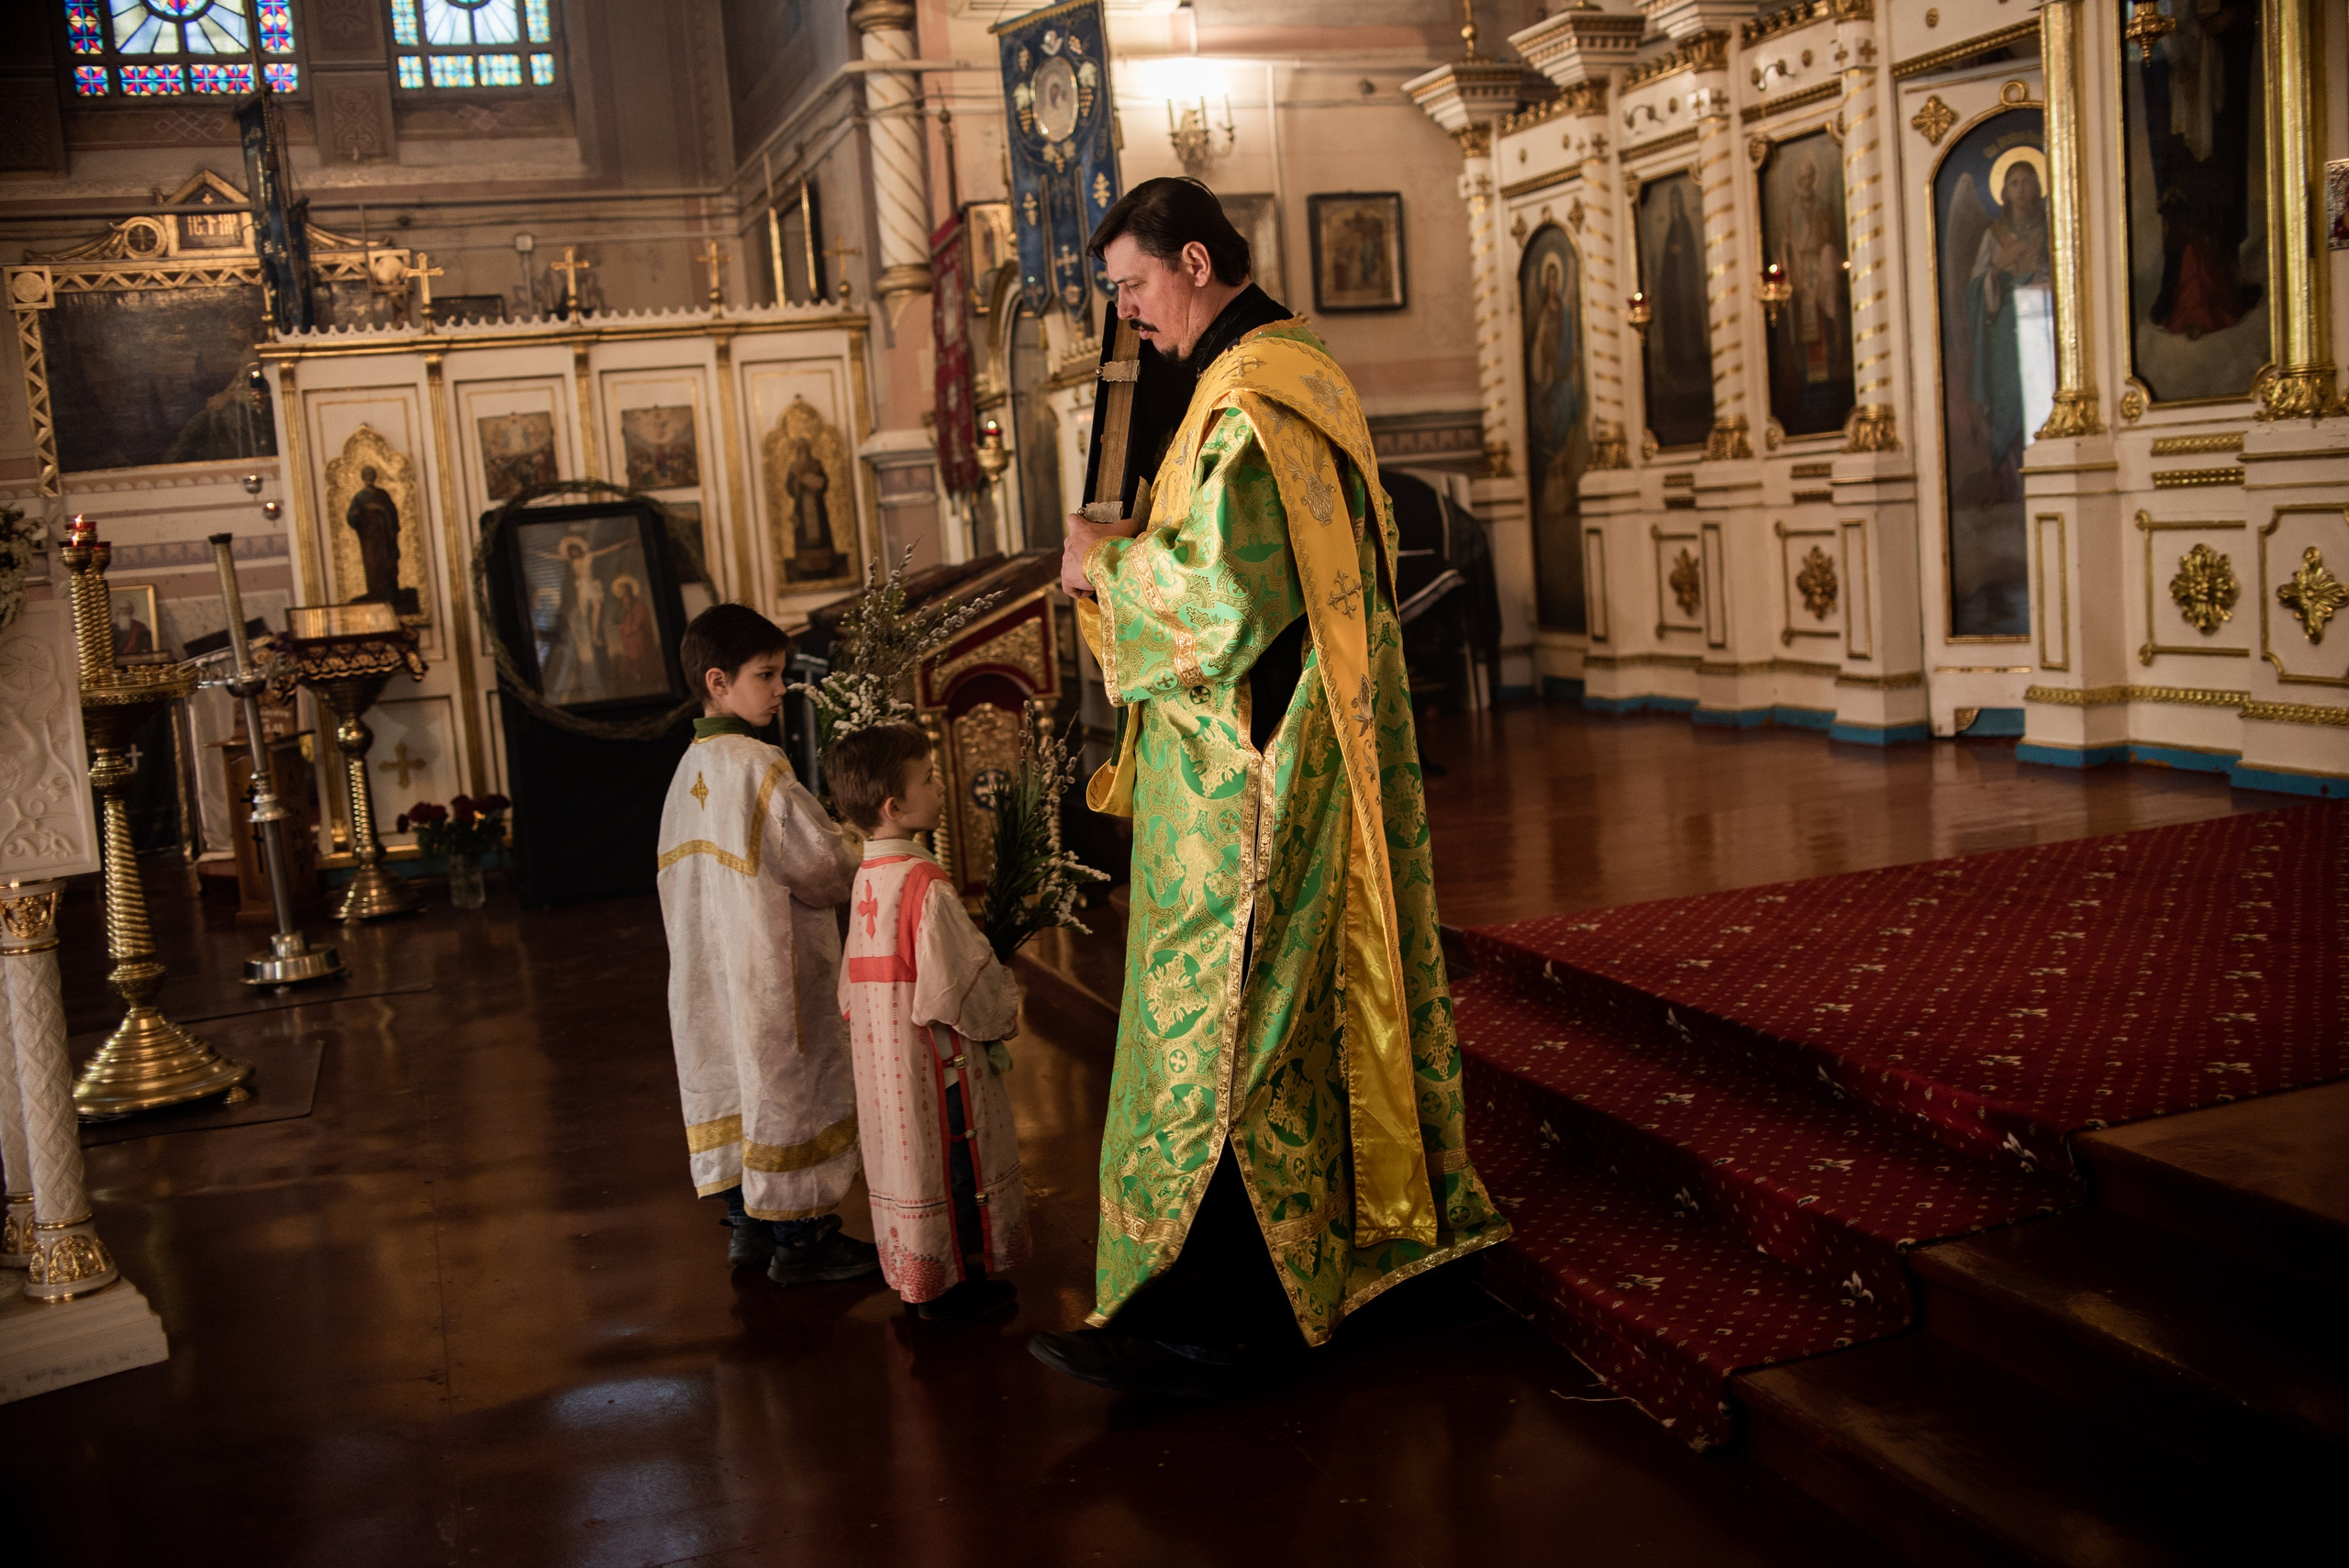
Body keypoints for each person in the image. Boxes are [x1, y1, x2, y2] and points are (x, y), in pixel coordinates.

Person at [1030, 177, 1510, 1397]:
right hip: (1264, 759)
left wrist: (1104, 568)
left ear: (1196, 260)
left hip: (1256, 777)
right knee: (1278, 1024)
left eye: (1134, 287)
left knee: (1224, 1039)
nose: (1128, 316)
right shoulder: (1278, 372)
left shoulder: (1253, 401)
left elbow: (1220, 603)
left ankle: (1213, 1320)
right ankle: (1306, 1269)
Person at [653, 604, 878, 1287]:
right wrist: (863, 838)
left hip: (706, 977)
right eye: (767, 674)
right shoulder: (758, 764)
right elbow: (822, 865)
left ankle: (748, 1225)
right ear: (718, 681)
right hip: (769, 968)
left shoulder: (687, 770)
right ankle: (803, 1240)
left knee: (730, 1077)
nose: (781, 687)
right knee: (786, 1083)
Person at [826, 722, 1030, 1321]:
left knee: (910, 1166)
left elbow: (848, 992)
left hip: (889, 1071)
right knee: (955, 1174)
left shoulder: (867, 880)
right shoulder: (925, 885)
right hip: (938, 1071)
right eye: (929, 778)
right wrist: (1003, 1005)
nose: (941, 787)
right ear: (896, 805)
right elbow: (960, 985)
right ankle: (956, 1290)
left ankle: (922, 1277)